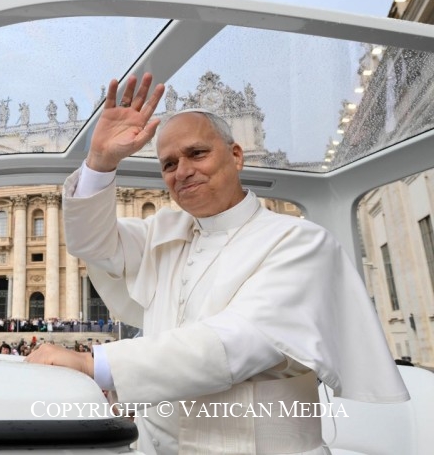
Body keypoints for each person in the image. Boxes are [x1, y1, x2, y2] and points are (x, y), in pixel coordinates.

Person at [26, 73, 409, 454]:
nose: (182, 171)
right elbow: (90, 243)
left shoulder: (301, 241)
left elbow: (240, 341)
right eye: (169, 164)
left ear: (236, 155)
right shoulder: (162, 232)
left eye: (197, 154)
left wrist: (94, 363)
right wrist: (100, 161)